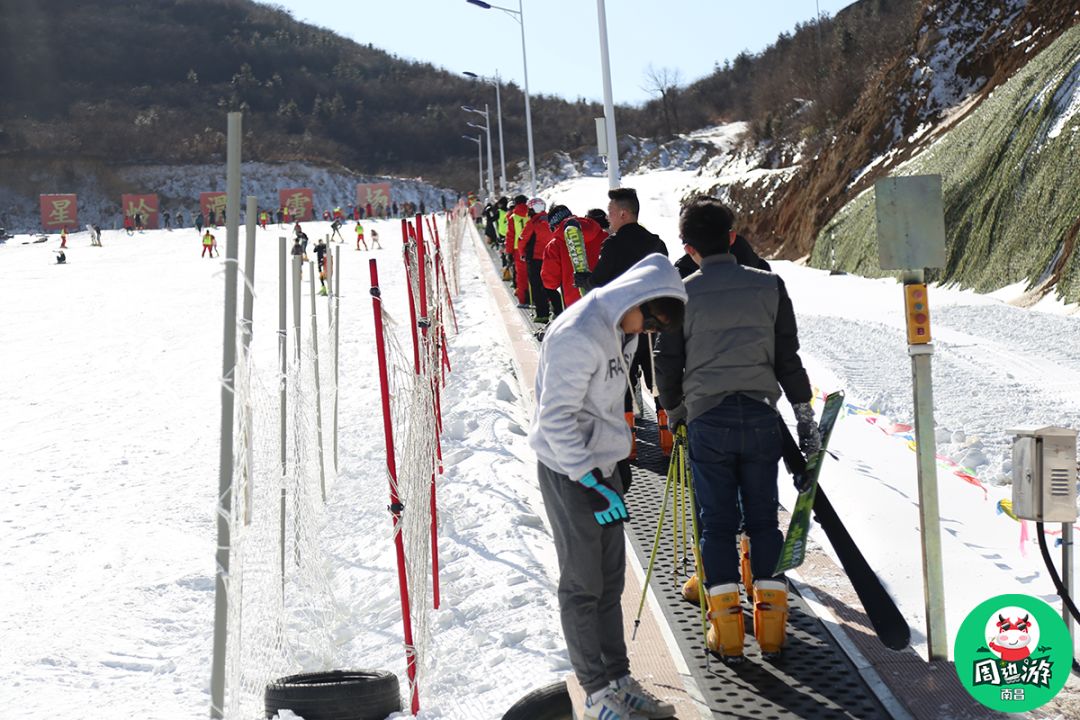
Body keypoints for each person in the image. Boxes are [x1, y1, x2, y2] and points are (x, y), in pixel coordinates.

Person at [653, 197, 820, 661]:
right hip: (763, 419)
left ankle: (726, 632)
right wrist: (804, 417)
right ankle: (771, 629)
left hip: (708, 421)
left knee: (717, 523)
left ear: (687, 248)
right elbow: (788, 357)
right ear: (732, 236)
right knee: (764, 521)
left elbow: (667, 365)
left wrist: (674, 411)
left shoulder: (681, 294)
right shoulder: (771, 285)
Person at [529, 254, 685, 720]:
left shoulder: (625, 329)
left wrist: (616, 462)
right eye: (651, 320)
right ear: (636, 299)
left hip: (604, 470)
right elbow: (554, 418)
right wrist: (589, 478)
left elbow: (607, 403)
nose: (650, 331)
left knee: (611, 581)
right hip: (570, 472)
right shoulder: (579, 334)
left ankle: (619, 679)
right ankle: (597, 693)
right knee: (582, 585)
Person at [589, 188, 671, 457]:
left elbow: (600, 281)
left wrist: (584, 280)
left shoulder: (613, 245)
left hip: (625, 325)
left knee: (623, 382)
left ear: (623, 214)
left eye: (611, 213)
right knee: (658, 379)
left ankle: (630, 445)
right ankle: (667, 438)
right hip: (656, 322)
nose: (609, 219)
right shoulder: (657, 243)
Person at [540, 204, 607, 316]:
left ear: (555, 226)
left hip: (575, 306)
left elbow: (550, 282)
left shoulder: (555, 245)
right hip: (606, 299)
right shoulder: (604, 235)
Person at [520, 198, 552, 323]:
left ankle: (542, 314)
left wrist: (522, 253)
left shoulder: (533, 223)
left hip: (535, 259)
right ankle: (556, 309)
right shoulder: (550, 220)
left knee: (537, 286)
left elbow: (523, 239)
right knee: (550, 285)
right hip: (550, 257)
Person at [505, 195, 531, 307]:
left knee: (521, 275)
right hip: (532, 247)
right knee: (535, 274)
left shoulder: (513, 217)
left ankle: (523, 300)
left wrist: (509, 252)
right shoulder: (531, 215)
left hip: (518, 249)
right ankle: (539, 299)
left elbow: (510, 236)